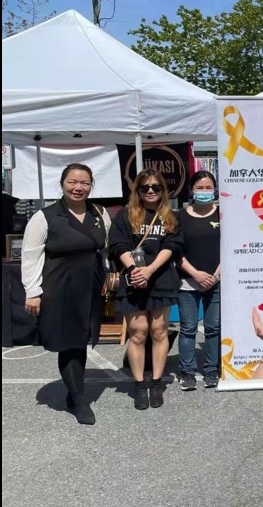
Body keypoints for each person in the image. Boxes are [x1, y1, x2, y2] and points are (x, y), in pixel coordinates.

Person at [21, 163, 110, 425]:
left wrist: (106, 278)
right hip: (59, 288)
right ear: (62, 184)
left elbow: (103, 251)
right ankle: (80, 401)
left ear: (91, 185)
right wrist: (32, 291)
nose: (78, 187)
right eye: (72, 182)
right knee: (68, 342)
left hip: (90, 288)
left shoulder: (100, 213)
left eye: (84, 183)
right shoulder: (45, 216)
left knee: (81, 339)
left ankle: (74, 392)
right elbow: (30, 257)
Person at [109, 169, 183, 410]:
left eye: (156, 187)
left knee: (160, 330)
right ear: (138, 191)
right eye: (145, 187)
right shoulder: (125, 215)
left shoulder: (170, 216)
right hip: (133, 280)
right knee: (138, 331)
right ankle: (139, 383)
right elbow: (118, 245)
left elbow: (172, 245)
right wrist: (135, 271)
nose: (150, 191)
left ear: (163, 190)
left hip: (161, 278)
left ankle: (156, 381)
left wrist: (150, 269)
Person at [175, 171, 222, 392]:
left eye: (208, 188)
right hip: (187, 282)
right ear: (192, 190)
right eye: (200, 188)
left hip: (217, 281)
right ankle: (188, 372)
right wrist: (195, 273)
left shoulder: (223, 214)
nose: (204, 192)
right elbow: (175, 251)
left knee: (213, 327)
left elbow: (231, 246)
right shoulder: (179, 217)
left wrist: (217, 274)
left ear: (215, 188)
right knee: (188, 328)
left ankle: (212, 368)